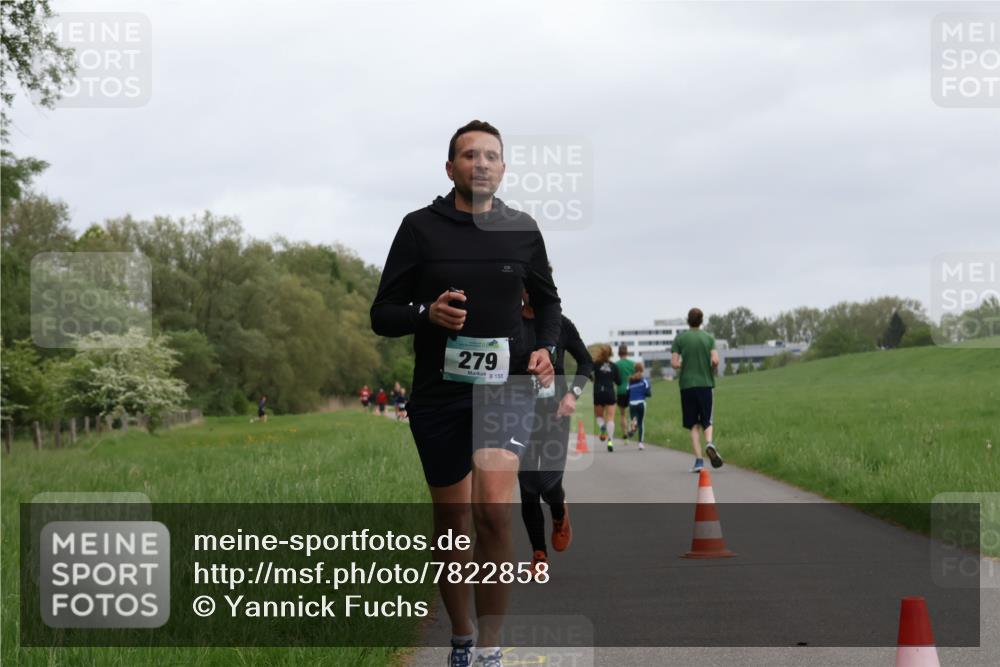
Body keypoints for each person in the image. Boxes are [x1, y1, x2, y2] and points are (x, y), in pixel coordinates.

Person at [370, 120, 560, 667]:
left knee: (494, 513)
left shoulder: (523, 229)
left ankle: (491, 650)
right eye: (469, 155)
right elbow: (382, 313)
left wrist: (545, 346)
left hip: (507, 389)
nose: (481, 163)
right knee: (453, 526)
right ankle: (460, 636)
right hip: (440, 394)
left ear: (503, 168)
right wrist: (424, 314)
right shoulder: (418, 229)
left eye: (492, 156)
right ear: (450, 167)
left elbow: (548, 302)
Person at [517, 289, 593, 575]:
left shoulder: (560, 323)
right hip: (518, 414)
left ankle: (559, 512)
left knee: (548, 482)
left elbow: (586, 362)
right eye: (525, 285)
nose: (528, 291)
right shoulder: (510, 323)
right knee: (527, 487)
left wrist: (573, 394)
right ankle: (539, 555)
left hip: (555, 413)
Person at [671, 307, 722, 472]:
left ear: (688, 320)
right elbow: (715, 360)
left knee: (693, 425)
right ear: (701, 321)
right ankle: (709, 443)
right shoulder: (708, 338)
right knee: (707, 420)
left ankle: (699, 461)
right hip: (705, 384)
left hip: (687, 386)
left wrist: (683, 365)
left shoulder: (680, 339)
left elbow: (674, 363)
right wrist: (711, 365)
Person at [591, 344, 620, 452]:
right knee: (610, 417)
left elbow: (588, 372)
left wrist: (593, 379)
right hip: (610, 392)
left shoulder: (596, 364)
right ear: (611, 353)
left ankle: (602, 426)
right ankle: (610, 441)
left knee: (599, 416)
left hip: (598, 392)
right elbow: (619, 381)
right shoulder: (614, 366)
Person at [627, 361, 651, 451]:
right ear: (642, 370)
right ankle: (640, 443)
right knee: (641, 423)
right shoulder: (644, 380)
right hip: (641, 403)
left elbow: (627, 392)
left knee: (634, 419)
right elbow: (648, 393)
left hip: (632, 403)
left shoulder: (630, 381)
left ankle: (633, 427)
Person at [614, 344, 636, 442]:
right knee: (633, 413)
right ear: (627, 352)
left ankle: (625, 434)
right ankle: (633, 427)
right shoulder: (633, 364)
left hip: (621, 391)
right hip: (632, 390)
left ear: (619, 353)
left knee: (623, 414)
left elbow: (615, 379)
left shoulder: (616, 364)